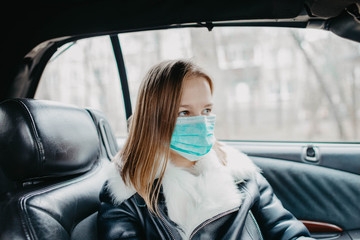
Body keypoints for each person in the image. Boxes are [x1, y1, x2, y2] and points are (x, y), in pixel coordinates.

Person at [97, 59, 314, 240]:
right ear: (153, 118)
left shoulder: (241, 173)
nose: (201, 122)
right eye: (184, 113)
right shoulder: (126, 192)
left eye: (207, 110)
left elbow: (286, 230)